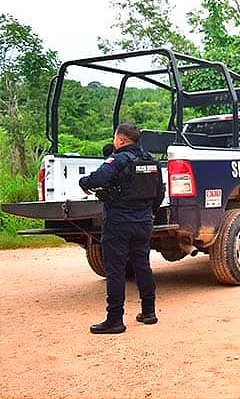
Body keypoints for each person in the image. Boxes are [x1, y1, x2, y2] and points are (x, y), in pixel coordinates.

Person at [79, 123, 165, 334]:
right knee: (142, 265)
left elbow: (97, 179)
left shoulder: (118, 159)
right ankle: (149, 312)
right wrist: (148, 212)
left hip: (118, 222)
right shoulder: (151, 161)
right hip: (144, 221)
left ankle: (115, 319)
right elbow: (159, 193)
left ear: (120, 140)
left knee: (116, 268)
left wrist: (83, 182)